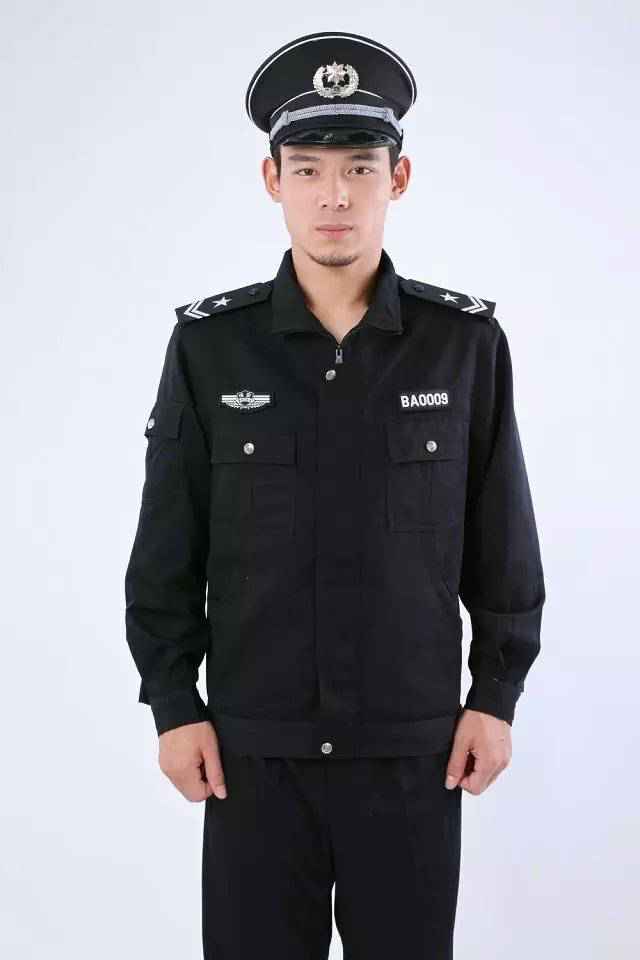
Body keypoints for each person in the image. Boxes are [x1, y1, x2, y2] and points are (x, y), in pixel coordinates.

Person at [124, 29, 546, 959]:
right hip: (253, 755)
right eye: (309, 170)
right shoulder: (210, 348)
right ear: (272, 180)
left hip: (413, 752)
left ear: (399, 178)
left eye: (360, 168)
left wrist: (497, 694)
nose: (335, 196)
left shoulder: (462, 345)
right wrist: (173, 703)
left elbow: (503, 540)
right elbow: (167, 543)